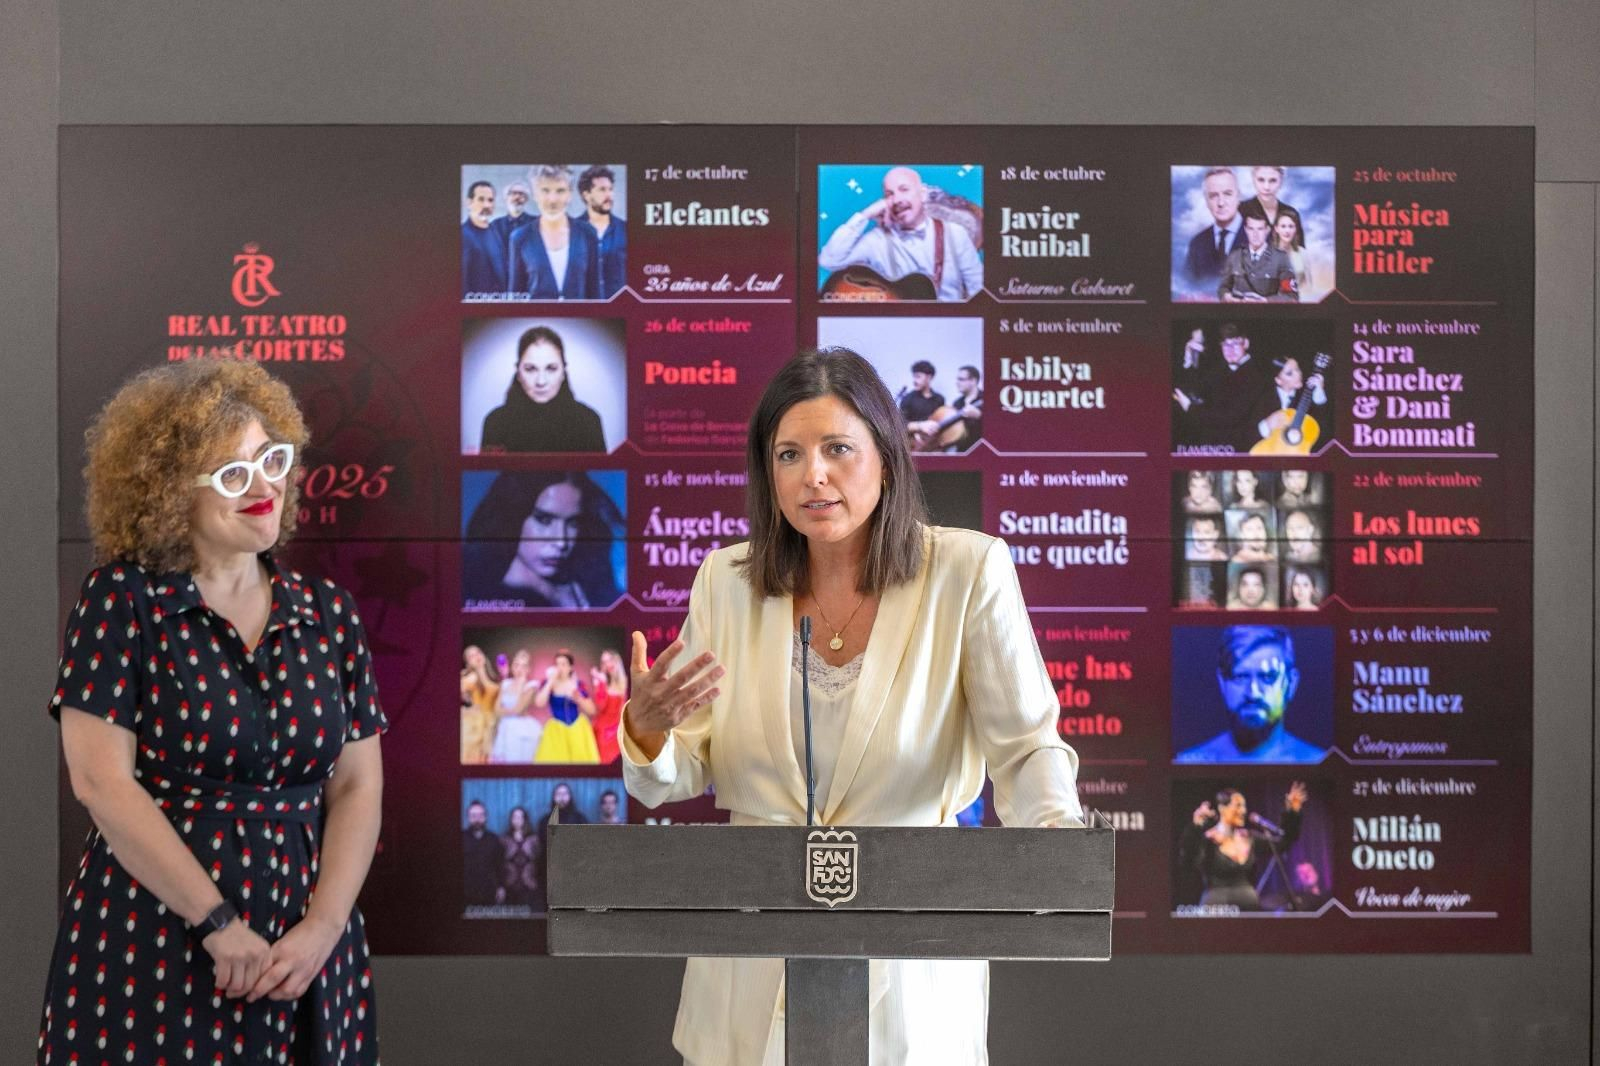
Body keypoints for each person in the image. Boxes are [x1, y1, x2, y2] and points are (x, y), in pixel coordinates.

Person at [619, 347, 1083, 1065]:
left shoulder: (967, 571)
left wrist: (1059, 857)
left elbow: (1026, 749)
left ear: (887, 459)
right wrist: (648, 734)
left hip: (911, 962)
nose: (814, 475)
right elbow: (681, 770)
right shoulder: (727, 582)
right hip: (752, 961)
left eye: (838, 448)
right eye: (789, 454)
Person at [38, 360, 386, 1063]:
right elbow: (101, 783)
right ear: (168, 495)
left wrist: (322, 929)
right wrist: (218, 923)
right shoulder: (122, 601)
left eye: (271, 459)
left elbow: (358, 785)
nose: (264, 487)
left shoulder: (329, 616)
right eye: (232, 474)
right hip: (157, 936)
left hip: (307, 953)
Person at [462, 470, 624, 609]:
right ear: (511, 518)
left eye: (573, 523)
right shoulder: (482, 596)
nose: (561, 542)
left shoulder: (588, 588)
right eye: (544, 520)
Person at [818, 166, 983, 301]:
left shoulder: (955, 234)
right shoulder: (877, 240)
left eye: (904, 190)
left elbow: (979, 290)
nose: (897, 200)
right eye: (889, 195)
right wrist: (865, 214)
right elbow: (828, 260)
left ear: (923, 194)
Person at [1176, 626, 1326, 763]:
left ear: (1291, 683)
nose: (1253, 693)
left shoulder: (1319, 762)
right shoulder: (1188, 762)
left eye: (1268, 677)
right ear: (1222, 683)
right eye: (1240, 677)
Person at [479, 324, 608, 454]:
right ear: (518, 372)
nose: (541, 381)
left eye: (551, 368)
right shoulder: (495, 422)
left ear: (563, 372)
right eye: (530, 369)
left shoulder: (589, 421)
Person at [1180, 782, 1307, 910]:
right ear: (1222, 808)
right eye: (1238, 805)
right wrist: (1195, 827)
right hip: (1216, 908)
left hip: (1248, 908)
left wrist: (1292, 811)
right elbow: (1188, 860)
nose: (1243, 811)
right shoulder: (1207, 839)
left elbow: (1283, 844)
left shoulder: (1249, 837)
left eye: (1244, 806)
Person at [1173, 323, 1278, 452]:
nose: (1230, 350)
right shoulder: (1220, 369)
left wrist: (1191, 408)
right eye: (1226, 345)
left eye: (1235, 343)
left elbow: (1229, 417)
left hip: (1244, 449)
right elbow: (1195, 390)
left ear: (1246, 343)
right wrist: (1189, 358)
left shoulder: (1258, 375)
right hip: (1217, 446)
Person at [508, 165, 600, 300]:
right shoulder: (520, 238)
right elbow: (515, 297)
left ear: (570, 194)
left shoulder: (588, 234)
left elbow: (596, 295)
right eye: (545, 190)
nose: (552, 199)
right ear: (534, 194)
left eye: (560, 190)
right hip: (537, 320)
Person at [1217, 204, 1298, 302]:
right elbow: (1223, 288)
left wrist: (1265, 301)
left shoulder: (1280, 258)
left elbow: (1291, 297)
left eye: (1260, 229)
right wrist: (1227, 297)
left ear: (1267, 230)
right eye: (1251, 229)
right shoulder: (1235, 256)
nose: (1255, 234)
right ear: (1246, 230)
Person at [533, 650, 600, 763]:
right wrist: (550, 681)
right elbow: (539, 703)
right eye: (557, 664)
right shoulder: (549, 683)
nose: (560, 668)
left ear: (570, 667)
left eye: (563, 664)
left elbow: (592, 710)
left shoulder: (578, 684)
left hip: (577, 729)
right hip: (556, 731)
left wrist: (578, 698)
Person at [1183, 167, 1245, 286]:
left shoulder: (1263, 237)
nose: (1221, 203)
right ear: (1206, 201)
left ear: (1239, 196)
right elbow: (1186, 288)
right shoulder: (1197, 244)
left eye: (1227, 194)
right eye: (1213, 196)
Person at [576, 164, 627, 299]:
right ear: (586, 195)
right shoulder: (573, 231)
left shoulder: (625, 230)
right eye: (602, 190)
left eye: (610, 189)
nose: (609, 195)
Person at [906, 363, 983, 451]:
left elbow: (996, 426)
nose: (957, 382)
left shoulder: (985, 400)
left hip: (982, 450)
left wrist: (980, 416)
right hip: (962, 451)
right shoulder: (957, 403)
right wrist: (918, 430)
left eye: (961, 379)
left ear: (973, 380)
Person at [1255, 356, 1328, 443]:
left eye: (1297, 369)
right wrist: (1267, 425)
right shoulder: (1262, 398)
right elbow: (1248, 433)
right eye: (1290, 373)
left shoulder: (1306, 394)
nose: (1298, 375)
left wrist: (1319, 392)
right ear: (1278, 380)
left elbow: (1322, 423)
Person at [489, 649, 544, 763]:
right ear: (512, 666)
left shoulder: (531, 686)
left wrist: (521, 683)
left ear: (528, 670)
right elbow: (496, 709)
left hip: (522, 730)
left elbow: (519, 709)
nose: (519, 669)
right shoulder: (505, 683)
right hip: (505, 728)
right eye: (517, 665)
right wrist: (508, 711)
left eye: (524, 666)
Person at [535, 782, 588, 899]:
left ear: (570, 797)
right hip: (550, 876)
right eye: (558, 794)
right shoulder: (544, 821)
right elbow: (542, 848)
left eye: (565, 793)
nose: (562, 797)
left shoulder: (580, 819)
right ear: (553, 798)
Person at [462, 179, 509, 296]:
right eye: (481, 199)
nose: (487, 205)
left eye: (490, 200)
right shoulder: (462, 235)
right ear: (469, 202)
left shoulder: (495, 231)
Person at [460, 644, 501, 764]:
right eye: (471, 656)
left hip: (490, 726)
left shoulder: (494, 679)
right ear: (468, 663)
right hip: (474, 727)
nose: (476, 656)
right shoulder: (470, 678)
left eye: (478, 652)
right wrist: (465, 711)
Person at [590, 647, 629, 764]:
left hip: (619, 731)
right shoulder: (603, 684)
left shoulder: (627, 681)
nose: (608, 664)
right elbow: (600, 708)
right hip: (603, 731)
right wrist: (599, 684)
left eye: (610, 659)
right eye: (604, 662)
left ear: (617, 659)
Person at [462, 800, 503, 908]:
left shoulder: (494, 839)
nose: (477, 819)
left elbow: (500, 865)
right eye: (473, 815)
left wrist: (501, 887)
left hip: (489, 893)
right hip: (465, 893)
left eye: (481, 815)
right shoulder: (460, 838)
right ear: (468, 817)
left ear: (486, 817)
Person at [500, 806, 539, 909]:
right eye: (515, 817)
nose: (517, 820)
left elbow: (540, 862)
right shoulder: (504, 839)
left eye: (520, 817)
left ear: (525, 820)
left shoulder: (534, 839)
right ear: (511, 819)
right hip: (510, 887)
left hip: (529, 887)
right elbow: (499, 863)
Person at [490, 179, 535, 258]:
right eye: (513, 193)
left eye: (521, 194)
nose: (517, 197)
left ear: (526, 199)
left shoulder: (535, 223)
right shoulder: (495, 226)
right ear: (506, 198)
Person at [1272, 210, 1313, 296]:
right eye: (1283, 226)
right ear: (1276, 229)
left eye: (1291, 226)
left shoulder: (1302, 253)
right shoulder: (1269, 253)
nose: (1287, 231)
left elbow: (1308, 284)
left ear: (1296, 229)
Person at [897, 359, 945, 423]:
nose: (915, 381)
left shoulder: (939, 399)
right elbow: (901, 424)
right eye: (914, 377)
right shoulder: (907, 399)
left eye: (918, 377)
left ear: (929, 377)